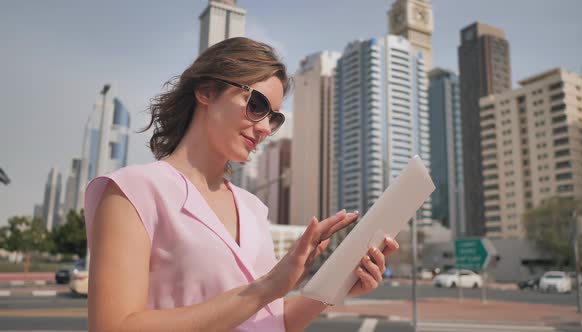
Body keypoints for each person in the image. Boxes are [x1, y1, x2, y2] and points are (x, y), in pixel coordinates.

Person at [84, 37, 400, 332]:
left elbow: (270, 321)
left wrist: (335, 286)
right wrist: (264, 288)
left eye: (274, 118)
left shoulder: (253, 208)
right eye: (257, 104)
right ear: (206, 91)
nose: (264, 127)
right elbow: (115, 326)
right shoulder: (132, 191)